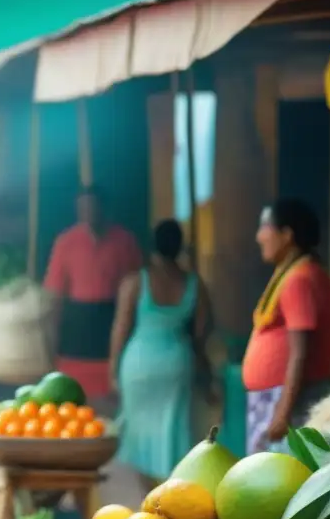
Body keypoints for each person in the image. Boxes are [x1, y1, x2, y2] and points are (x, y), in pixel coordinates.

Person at [110, 219, 212, 489]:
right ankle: (171, 494)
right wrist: (207, 373)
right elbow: (200, 334)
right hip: (176, 364)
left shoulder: (135, 282)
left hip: (139, 364)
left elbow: (120, 329)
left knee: (138, 435)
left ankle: (149, 498)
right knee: (173, 432)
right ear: (180, 246)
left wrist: (112, 370)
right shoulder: (194, 284)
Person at [243, 199, 330, 454]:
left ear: (287, 235)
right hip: (278, 399)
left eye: (265, 227)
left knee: (282, 484)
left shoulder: (300, 279)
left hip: (291, 401)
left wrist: (283, 412)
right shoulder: (296, 274)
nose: (259, 237)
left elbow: (300, 352)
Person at [44, 186, 143, 411]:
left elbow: (137, 290)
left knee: (110, 392)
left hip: (111, 321)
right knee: (71, 394)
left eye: (93, 208)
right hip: (76, 325)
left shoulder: (124, 241)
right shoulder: (66, 241)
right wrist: (52, 338)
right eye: (83, 209)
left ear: (104, 209)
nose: (88, 214)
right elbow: (55, 295)